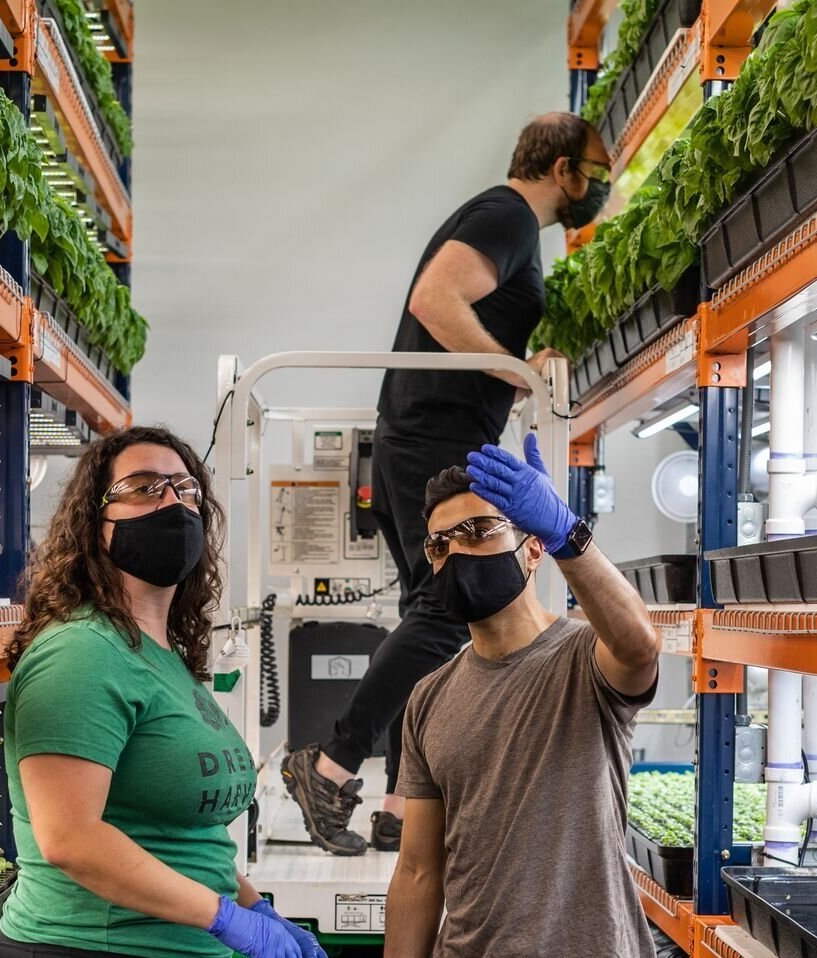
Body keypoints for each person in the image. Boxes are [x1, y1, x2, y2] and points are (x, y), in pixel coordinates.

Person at [282, 112, 613, 856]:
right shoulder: (507, 215)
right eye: (592, 173)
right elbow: (435, 301)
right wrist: (513, 370)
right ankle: (329, 765)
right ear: (561, 169)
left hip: (422, 430)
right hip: (434, 431)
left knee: (422, 613)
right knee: (442, 611)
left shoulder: (503, 222)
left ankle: (399, 802)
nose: (595, 189)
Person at [0, 426, 325, 958]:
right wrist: (222, 918)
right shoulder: (81, 652)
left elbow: (187, 836)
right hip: (89, 947)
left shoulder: (160, 654)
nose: (173, 502)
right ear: (94, 524)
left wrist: (254, 907)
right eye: (145, 487)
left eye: (185, 489)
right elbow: (71, 839)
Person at [384, 434, 660, 958]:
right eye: (439, 544)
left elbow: (640, 645)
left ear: (532, 548)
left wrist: (568, 534)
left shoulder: (585, 659)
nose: (456, 550)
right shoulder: (428, 698)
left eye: (479, 531)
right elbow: (418, 872)